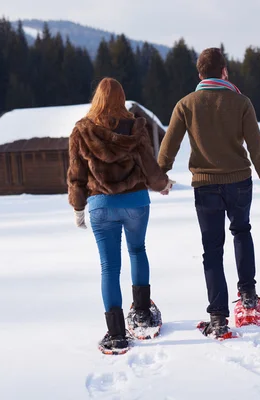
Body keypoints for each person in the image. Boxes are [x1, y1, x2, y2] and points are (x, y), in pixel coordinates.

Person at [157, 48, 260, 339]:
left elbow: (168, 146)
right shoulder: (241, 102)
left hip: (205, 185)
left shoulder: (186, 104)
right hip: (239, 182)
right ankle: (248, 295)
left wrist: (160, 177)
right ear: (225, 71)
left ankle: (218, 317)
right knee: (242, 232)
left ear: (200, 74)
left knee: (212, 249)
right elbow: (256, 145)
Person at [67, 77, 173, 354]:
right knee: (138, 251)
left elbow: (76, 176)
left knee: (109, 267)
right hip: (136, 201)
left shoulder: (81, 130)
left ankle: (116, 334)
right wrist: (162, 184)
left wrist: (78, 208)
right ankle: (141, 314)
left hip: (101, 205)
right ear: (121, 98)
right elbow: (149, 165)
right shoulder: (136, 127)